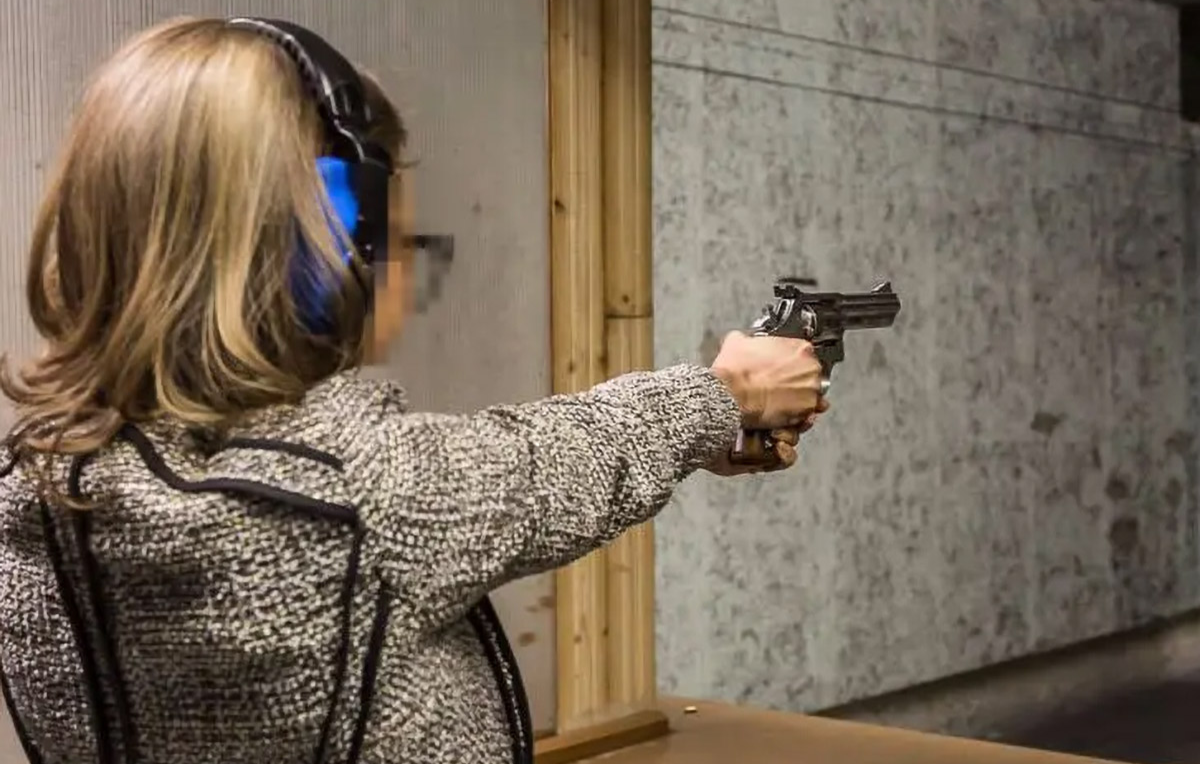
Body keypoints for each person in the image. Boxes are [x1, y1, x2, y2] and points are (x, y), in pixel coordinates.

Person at [0, 17, 828, 764]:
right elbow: (553, 460)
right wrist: (727, 392)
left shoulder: (28, 487)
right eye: (386, 229)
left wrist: (711, 417)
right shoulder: (355, 495)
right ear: (331, 244)